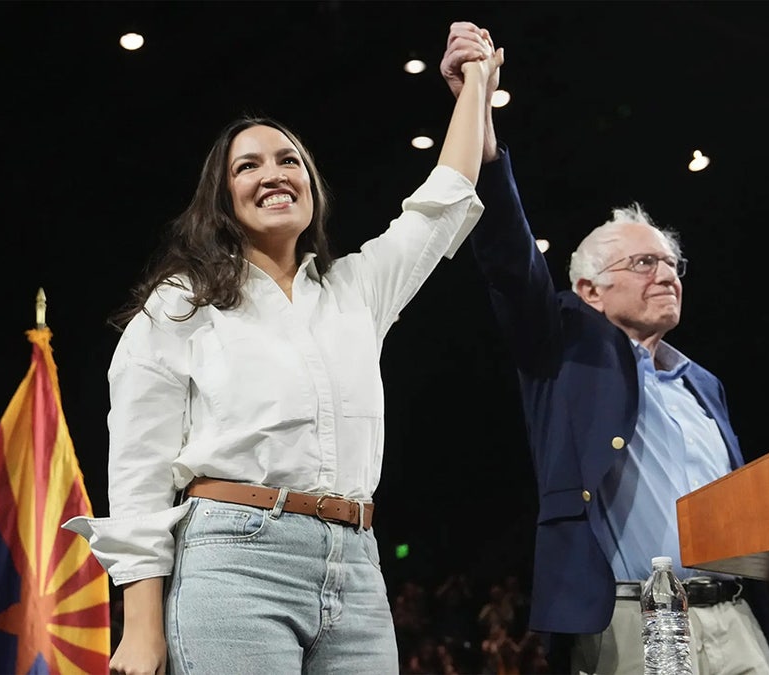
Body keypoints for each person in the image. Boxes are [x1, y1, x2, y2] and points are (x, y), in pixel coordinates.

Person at [62, 33, 504, 675]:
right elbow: (138, 471)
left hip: (357, 568)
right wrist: (142, 628)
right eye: (248, 166)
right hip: (232, 565)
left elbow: (443, 203)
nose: (273, 173)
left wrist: (475, 84)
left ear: (312, 185)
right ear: (222, 198)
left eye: (289, 160)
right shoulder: (180, 304)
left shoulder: (357, 290)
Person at [438, 21, 769, 675]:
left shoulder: (703, 383)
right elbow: (508, 249)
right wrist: (476, 103)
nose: (668, 275)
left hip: (737, 617)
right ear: (589, 291)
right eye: (645, 262)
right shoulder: (562, 350)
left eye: (673, 264)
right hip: (639, 620)